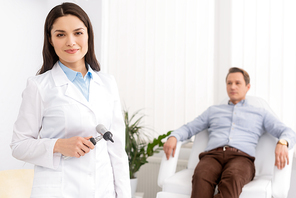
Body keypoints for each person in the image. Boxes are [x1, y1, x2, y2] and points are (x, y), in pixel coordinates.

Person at [10, 3, 130, 198]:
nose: (71, 42)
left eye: (78, 33)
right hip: (60, 191)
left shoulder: (108, 83)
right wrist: (58, 145)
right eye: (60, 34)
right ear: (50, 40)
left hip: (102, 190)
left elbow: (117, 150)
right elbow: (18, 145)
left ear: (88, 35)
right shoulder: (39, 86)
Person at [163, 67, 296, 198]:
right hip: (212, 156)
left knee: (233, 178)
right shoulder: (213, 111)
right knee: (201, 176)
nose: (233, 87)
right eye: (229, 83)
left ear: (247, 87)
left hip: (242, 159)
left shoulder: (260, 113)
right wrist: (174, 136)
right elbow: (189, 127)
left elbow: (287, 131)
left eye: (238, 83)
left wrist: (283, 142)